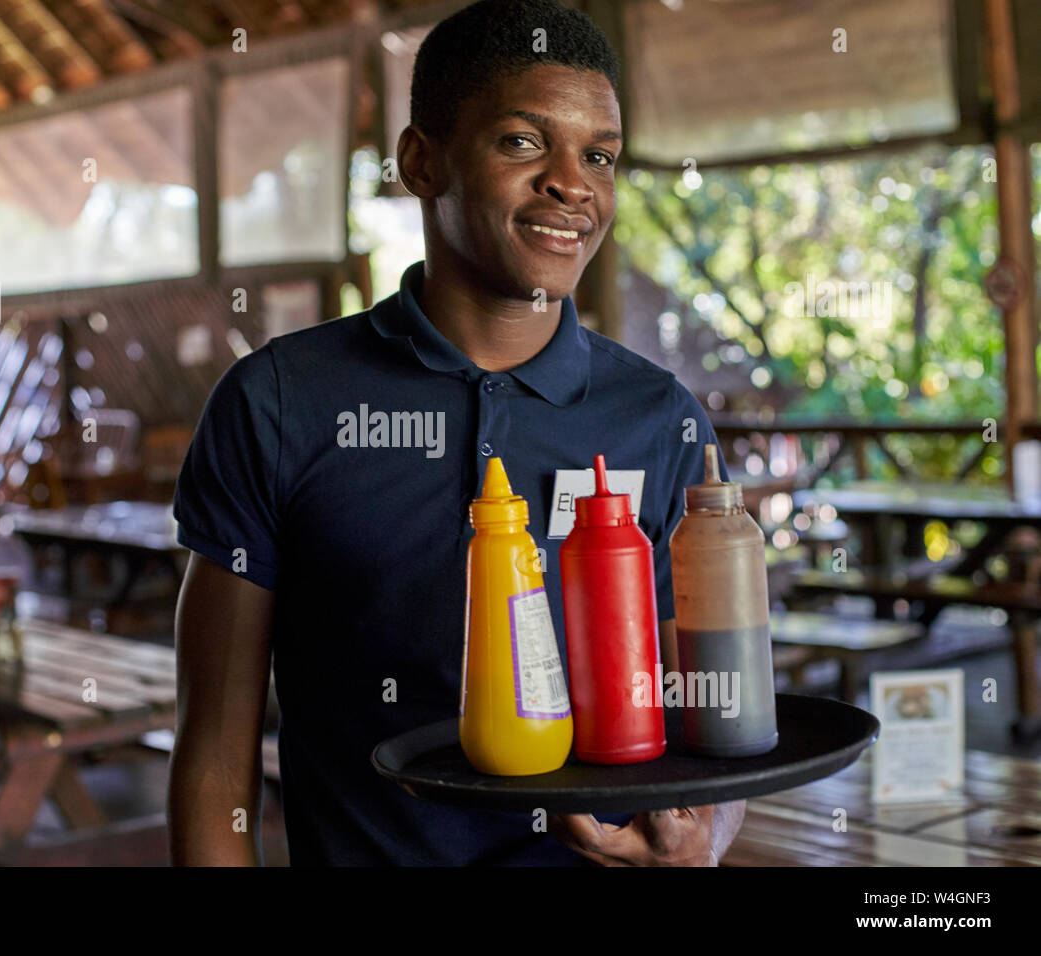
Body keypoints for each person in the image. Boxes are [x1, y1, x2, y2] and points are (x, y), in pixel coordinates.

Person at [169, 0, 744, 866]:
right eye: (522, 141)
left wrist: (702, 844)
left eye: (600, 156)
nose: (572, 183)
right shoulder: (278, 403)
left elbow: (715, 722)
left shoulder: (660, 421)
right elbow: (215, 753)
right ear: (421, 161)